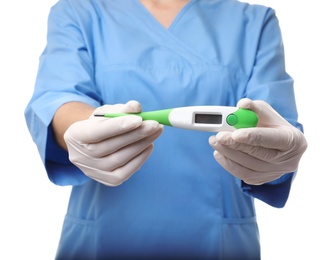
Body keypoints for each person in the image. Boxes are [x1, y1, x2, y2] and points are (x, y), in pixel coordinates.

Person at [24, 0, 308, 259]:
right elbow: (58, 97)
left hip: (219, 244)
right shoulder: (79, 12)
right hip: (101, 241)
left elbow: (273, 124)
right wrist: (83, 127)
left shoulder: (255, 22)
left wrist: (277, 153)